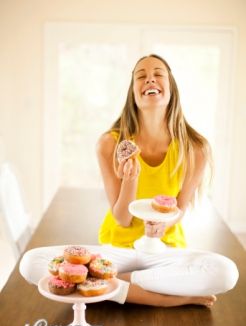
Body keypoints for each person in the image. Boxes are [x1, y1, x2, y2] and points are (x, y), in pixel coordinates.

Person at [19, 54, 238, 308]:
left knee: (226, 272)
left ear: (171, 87)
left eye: (158, 73)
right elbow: (122, 218)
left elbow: (180, 207)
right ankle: (165, 298)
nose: (150, 79)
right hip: (117, 250)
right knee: (31, 263)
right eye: (141, 76)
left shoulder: (196, 148)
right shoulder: (110, 144)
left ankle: (102, 284)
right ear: (133, 92)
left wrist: (163, 226)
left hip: (165, 251)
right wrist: (130, 178)